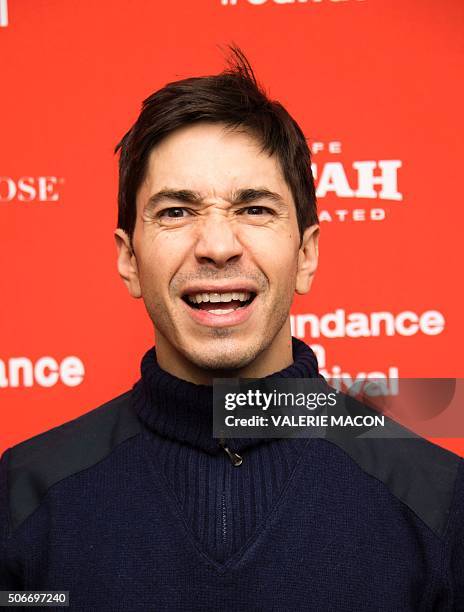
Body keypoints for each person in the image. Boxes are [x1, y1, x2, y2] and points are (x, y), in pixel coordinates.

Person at [1, 47, 463, 611]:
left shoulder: (437, 498)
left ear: (307, 254)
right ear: (128, 260)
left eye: (254, 209)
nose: (217, 247)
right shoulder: (24, 494)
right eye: (176, 211)